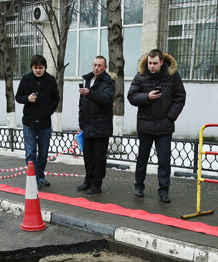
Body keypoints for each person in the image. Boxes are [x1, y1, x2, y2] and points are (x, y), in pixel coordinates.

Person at [127, 48, 186, 203]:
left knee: (164, 160)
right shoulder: (141, 76)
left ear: (161, 62)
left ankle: (164, 191)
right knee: (142, 158)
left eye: (154, 63)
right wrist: (147, 96)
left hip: (164, 125)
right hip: (145, 124)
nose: (151, 66)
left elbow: (180, 97)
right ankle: (139, 185)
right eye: (149, 63)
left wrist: (170, 117)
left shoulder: (172, 77)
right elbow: (131, 96)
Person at [15, 54, 59, 187]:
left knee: (44, 153)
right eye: (35, 67)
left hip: (45, 122)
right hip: (29, 122)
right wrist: (27, 99)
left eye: (41, 67)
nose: (38, 70)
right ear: (31, 68)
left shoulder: (50, 80)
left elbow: (56, 99)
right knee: (30, 153)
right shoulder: (26, 79)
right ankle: (32, 179)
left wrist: (48, 112)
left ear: (45, 67)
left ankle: (40, 177)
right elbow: (18, 97)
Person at [77, 56, 115, 195]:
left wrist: (90, 93)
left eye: (100, 65)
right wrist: (81, 122)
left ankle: (97, 184)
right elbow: (82, 103)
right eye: (94, 65)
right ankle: (88, 181)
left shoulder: (108, 81)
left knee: (99, 158)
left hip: (101, 126)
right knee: (88, 156)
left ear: (105, 68)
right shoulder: (87, 79)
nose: (96, 68)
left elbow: (106, 99)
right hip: (87, 126)